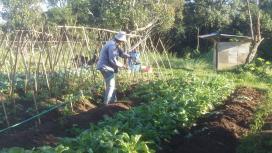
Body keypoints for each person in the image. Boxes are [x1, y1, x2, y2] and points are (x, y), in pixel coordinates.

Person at [96, 31, 130, 104]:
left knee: (112, 84)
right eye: (123, 41)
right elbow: (113, 60)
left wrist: (128, 56)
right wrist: (123, 66)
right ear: (120, 40)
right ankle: (106, 104)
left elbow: (121, 53)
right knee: (111, 85)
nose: (123, 43)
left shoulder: (114, 44)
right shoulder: (112, 46)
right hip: (105, 67)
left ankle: (113, 102)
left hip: (107, 67)